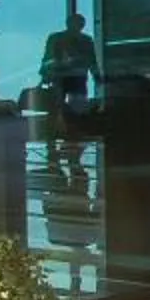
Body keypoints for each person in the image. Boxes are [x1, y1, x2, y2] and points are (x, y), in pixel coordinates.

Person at [37, 12, 99, 181]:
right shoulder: (82, 41)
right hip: (69, 78)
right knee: (61, 110)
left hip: (69, 78)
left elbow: (47, 58)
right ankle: (66, 142)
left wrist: (45, 73)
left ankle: (60, 143)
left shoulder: (63, 39)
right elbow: (91, 61)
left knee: (62, 110)